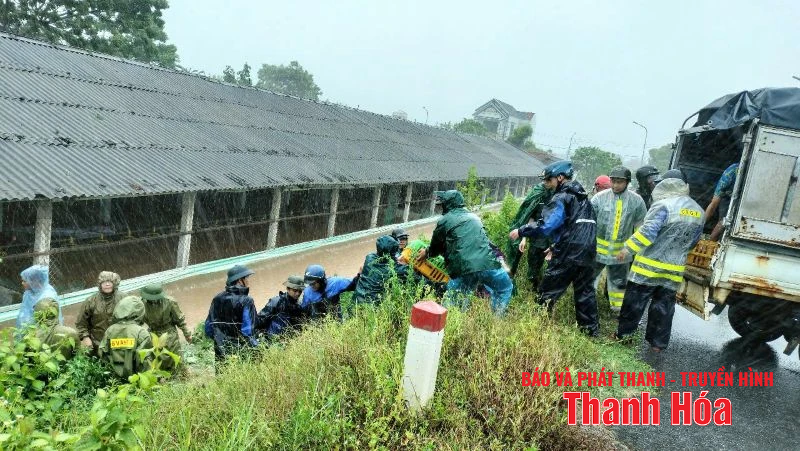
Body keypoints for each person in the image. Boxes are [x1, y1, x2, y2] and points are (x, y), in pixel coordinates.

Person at [614, 170, 704, 352]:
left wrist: (627, 248)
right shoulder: (698, 211)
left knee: (635, 302)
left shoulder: (664, 206)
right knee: (663, 307)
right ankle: (657, 344)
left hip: (648, 268)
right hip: (674, 270)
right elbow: (694, 241)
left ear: (668, 184)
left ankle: (623, 336)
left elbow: (648, 232)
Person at [509, 161, 599, 336]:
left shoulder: (561, 198)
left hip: (569, 252)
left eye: (548, 180)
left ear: (560, 177)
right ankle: (590, 331)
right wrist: (555, 245)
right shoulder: (584, 199)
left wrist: (521, 231)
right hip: (588, 251)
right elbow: (575, 227)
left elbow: (546, 226)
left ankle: (535, 326)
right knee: (585, 291)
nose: (546, 183)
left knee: (549, 288)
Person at [418, 190, 514, 316]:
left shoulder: (445, 220)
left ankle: (452, 322)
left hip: (462, 268)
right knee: (504, 288)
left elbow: (436, 247)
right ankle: (497, 319)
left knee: (455, 298)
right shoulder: (475, 217)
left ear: (447, 204)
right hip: (487, 264)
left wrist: (426, 252)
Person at [591, 166, 647, 313]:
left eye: (619, 182)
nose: (615, 185)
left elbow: (641, 227)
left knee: (619, 285)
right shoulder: (599, 198)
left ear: (627, 182)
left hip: (621, 254)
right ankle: (586, 305)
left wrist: (633, 249)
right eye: (613, 181)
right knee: (589, 279)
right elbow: (589, 223)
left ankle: (616, 311)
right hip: (597, 251)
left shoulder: (637, 202)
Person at [204, 265, 259, 362]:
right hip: (241, 351)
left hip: (220, 350)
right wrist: (256, 349)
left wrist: (220, 340)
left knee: (224, 374)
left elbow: (208, 328)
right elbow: (248, 331)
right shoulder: (246, 300)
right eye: (246, 278)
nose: (248, 281)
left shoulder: (217, 298)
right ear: (239, 280)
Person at [505, 181, 553, 290]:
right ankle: (534, 286)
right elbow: (530, 218)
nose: (545, 182)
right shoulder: (539, 195)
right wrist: (524, 238)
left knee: (548, 268)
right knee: (532, 267)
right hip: (536, 239)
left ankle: (542, 291)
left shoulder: (558, 197)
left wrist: (553, 246)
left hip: (550, 242)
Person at [99, 295, 153, 380]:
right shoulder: (141, 332)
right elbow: (145, 360)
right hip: (137, 380)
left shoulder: (110, 330)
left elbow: (103, 354)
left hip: (115, 381)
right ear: (139, 311)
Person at [140, 284, 192, 372]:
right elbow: (138, 322)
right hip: (153, 334)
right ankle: (163, 378)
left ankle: (183, 375)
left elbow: (180, 320)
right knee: (157, 357)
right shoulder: (141, 304)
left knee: (175, 356)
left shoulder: (169, 302)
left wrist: (187, 334)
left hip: (170, 333)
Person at [76, 271, 125, 355]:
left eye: (109, 282)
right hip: (97, 343)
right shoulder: (90, 301)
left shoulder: (124, 299)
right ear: (99, 284)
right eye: (104, 282)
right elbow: (81, 323)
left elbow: (134, 318)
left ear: (114, 283)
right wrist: (85, 337)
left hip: (120, 341)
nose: (107, 284)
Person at [353, 236, 408, 306]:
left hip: (355, 303)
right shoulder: (394, 268)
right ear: (393, 252)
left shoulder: (369, 257)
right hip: (371, 308)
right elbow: (410, 273)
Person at [256, 275, 306, 340]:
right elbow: (260, 319)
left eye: (300, 291)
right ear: (288, 289)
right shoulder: (276, 302)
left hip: (290, 340)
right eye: (295, 290)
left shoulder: (299, 305)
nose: (297, 294)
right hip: (272, 339)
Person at [16, 265, 61, 331]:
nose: (22, 283)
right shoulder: (29, 292)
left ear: (35, 281)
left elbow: (46, 323)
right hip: (28, 331)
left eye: (25, 281)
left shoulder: (47, 296)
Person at [704, 162, 739, 241]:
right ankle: (710, 241)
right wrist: (699, 226)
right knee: (723, 221)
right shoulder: (731, 172)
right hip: (728, 197)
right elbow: (713, 205)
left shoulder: (732, 171)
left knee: (723, 222)